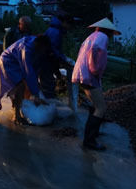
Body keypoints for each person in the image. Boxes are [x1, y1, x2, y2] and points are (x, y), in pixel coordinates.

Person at [72, 17, 120, 151]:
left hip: (81, 73)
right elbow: (95, 50)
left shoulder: (92, 36)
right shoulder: (102, 37)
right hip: (89, 75)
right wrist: (95, 69)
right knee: (101, 108)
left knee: (95, 105)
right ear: (108, 31)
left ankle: (93, 134)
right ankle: (89, 140)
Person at [0, 34, 51, 124]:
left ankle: (17, 110)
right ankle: (17, 116)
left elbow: (34, 70)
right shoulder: (26, 49)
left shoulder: (37, 47)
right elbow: (28, 72)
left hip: (16, 62)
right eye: (43, 49)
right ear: (39, 45)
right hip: (7, 62)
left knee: (25, 86)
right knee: (20, 86)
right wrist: (36, 95)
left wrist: (36, 87)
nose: (43, 51)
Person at [39, 11, 73, 98]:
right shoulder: (56, 32)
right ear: (64, 22)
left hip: (46, 62)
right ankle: (48, 105)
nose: (70, 27)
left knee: (48, 84)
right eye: (70, 25)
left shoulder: (53, 29)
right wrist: (64, 59)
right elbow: (53, 50)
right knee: (48, 86)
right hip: (46, 63)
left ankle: (47, 103)